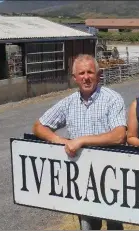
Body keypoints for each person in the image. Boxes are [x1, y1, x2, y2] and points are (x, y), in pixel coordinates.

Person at [32, 54, 126, 230]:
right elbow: (38, 126)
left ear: (99, 75)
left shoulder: (112, 99)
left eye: (90, 72)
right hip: (82, 178)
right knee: (87, 226)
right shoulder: (68, 103)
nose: (86, 77)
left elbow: (119, 135)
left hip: (111, 176)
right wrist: (59, 140)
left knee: (114, 225)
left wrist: (81, 140)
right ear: (74, 78)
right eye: (81, 73)